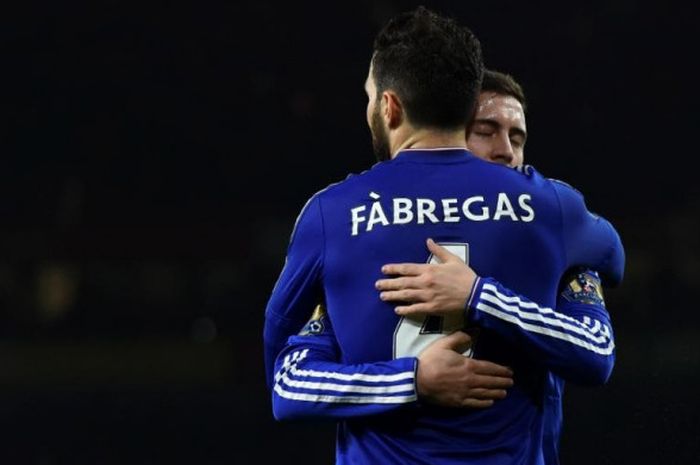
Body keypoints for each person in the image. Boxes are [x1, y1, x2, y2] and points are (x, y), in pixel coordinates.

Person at [263, 6, 624, 464]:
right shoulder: (550, 208)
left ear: (389, 106)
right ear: (464, 106)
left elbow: (282, 363)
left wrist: (405, 378)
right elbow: (614, 258)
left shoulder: (331, 215)